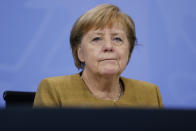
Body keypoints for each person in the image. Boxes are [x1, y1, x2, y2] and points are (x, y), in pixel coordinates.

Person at [33, 4, 163, 108]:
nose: (108, 46)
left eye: (117, 39)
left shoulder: (150, 94)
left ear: (128, 51)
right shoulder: (55, 90)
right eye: (96, 39)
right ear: (80, 53)